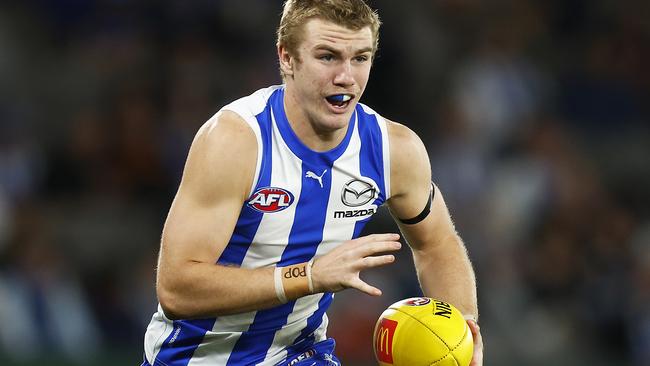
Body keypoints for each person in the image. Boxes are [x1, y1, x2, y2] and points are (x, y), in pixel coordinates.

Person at [141, 0, 483, 365]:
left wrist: (462, 333)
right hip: (194, 359)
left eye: (360, 58)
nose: (346, 77)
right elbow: (176, 289)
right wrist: (310, 276)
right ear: (287, 58)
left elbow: (437, 243)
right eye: (327, 56)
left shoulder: (393, 150)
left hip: (300, 355)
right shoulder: (236, 141)